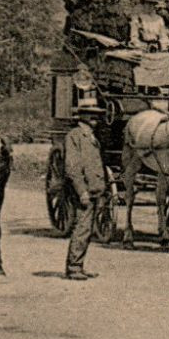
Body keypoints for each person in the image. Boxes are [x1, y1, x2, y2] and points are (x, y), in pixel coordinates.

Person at [63, 96, 108, 280]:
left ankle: (79, 265)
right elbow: (72, 167)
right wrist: (81, 191)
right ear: (84, 117)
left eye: (96, 116)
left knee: (87, 229)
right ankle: (73, 267)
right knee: (82, 228)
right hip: (84, 192)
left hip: (95, 190)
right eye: (92, 116)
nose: (95, 120)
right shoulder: (75, 136)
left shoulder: (91, 137)